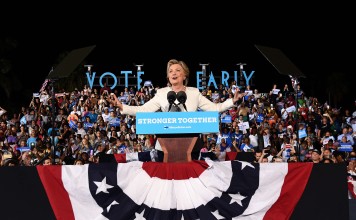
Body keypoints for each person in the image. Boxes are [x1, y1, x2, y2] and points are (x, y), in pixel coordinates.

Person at [109, 59, 245, 115]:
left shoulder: (194, 93)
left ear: (185, 75)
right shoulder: (161, 93)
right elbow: (144, 110)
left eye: (178, 70)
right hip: (165, 144)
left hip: (190, 143)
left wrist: (232, 101)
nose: (174, 73)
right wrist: (122, 107)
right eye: (170, 71)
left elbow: (215, 108)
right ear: (168, 77)